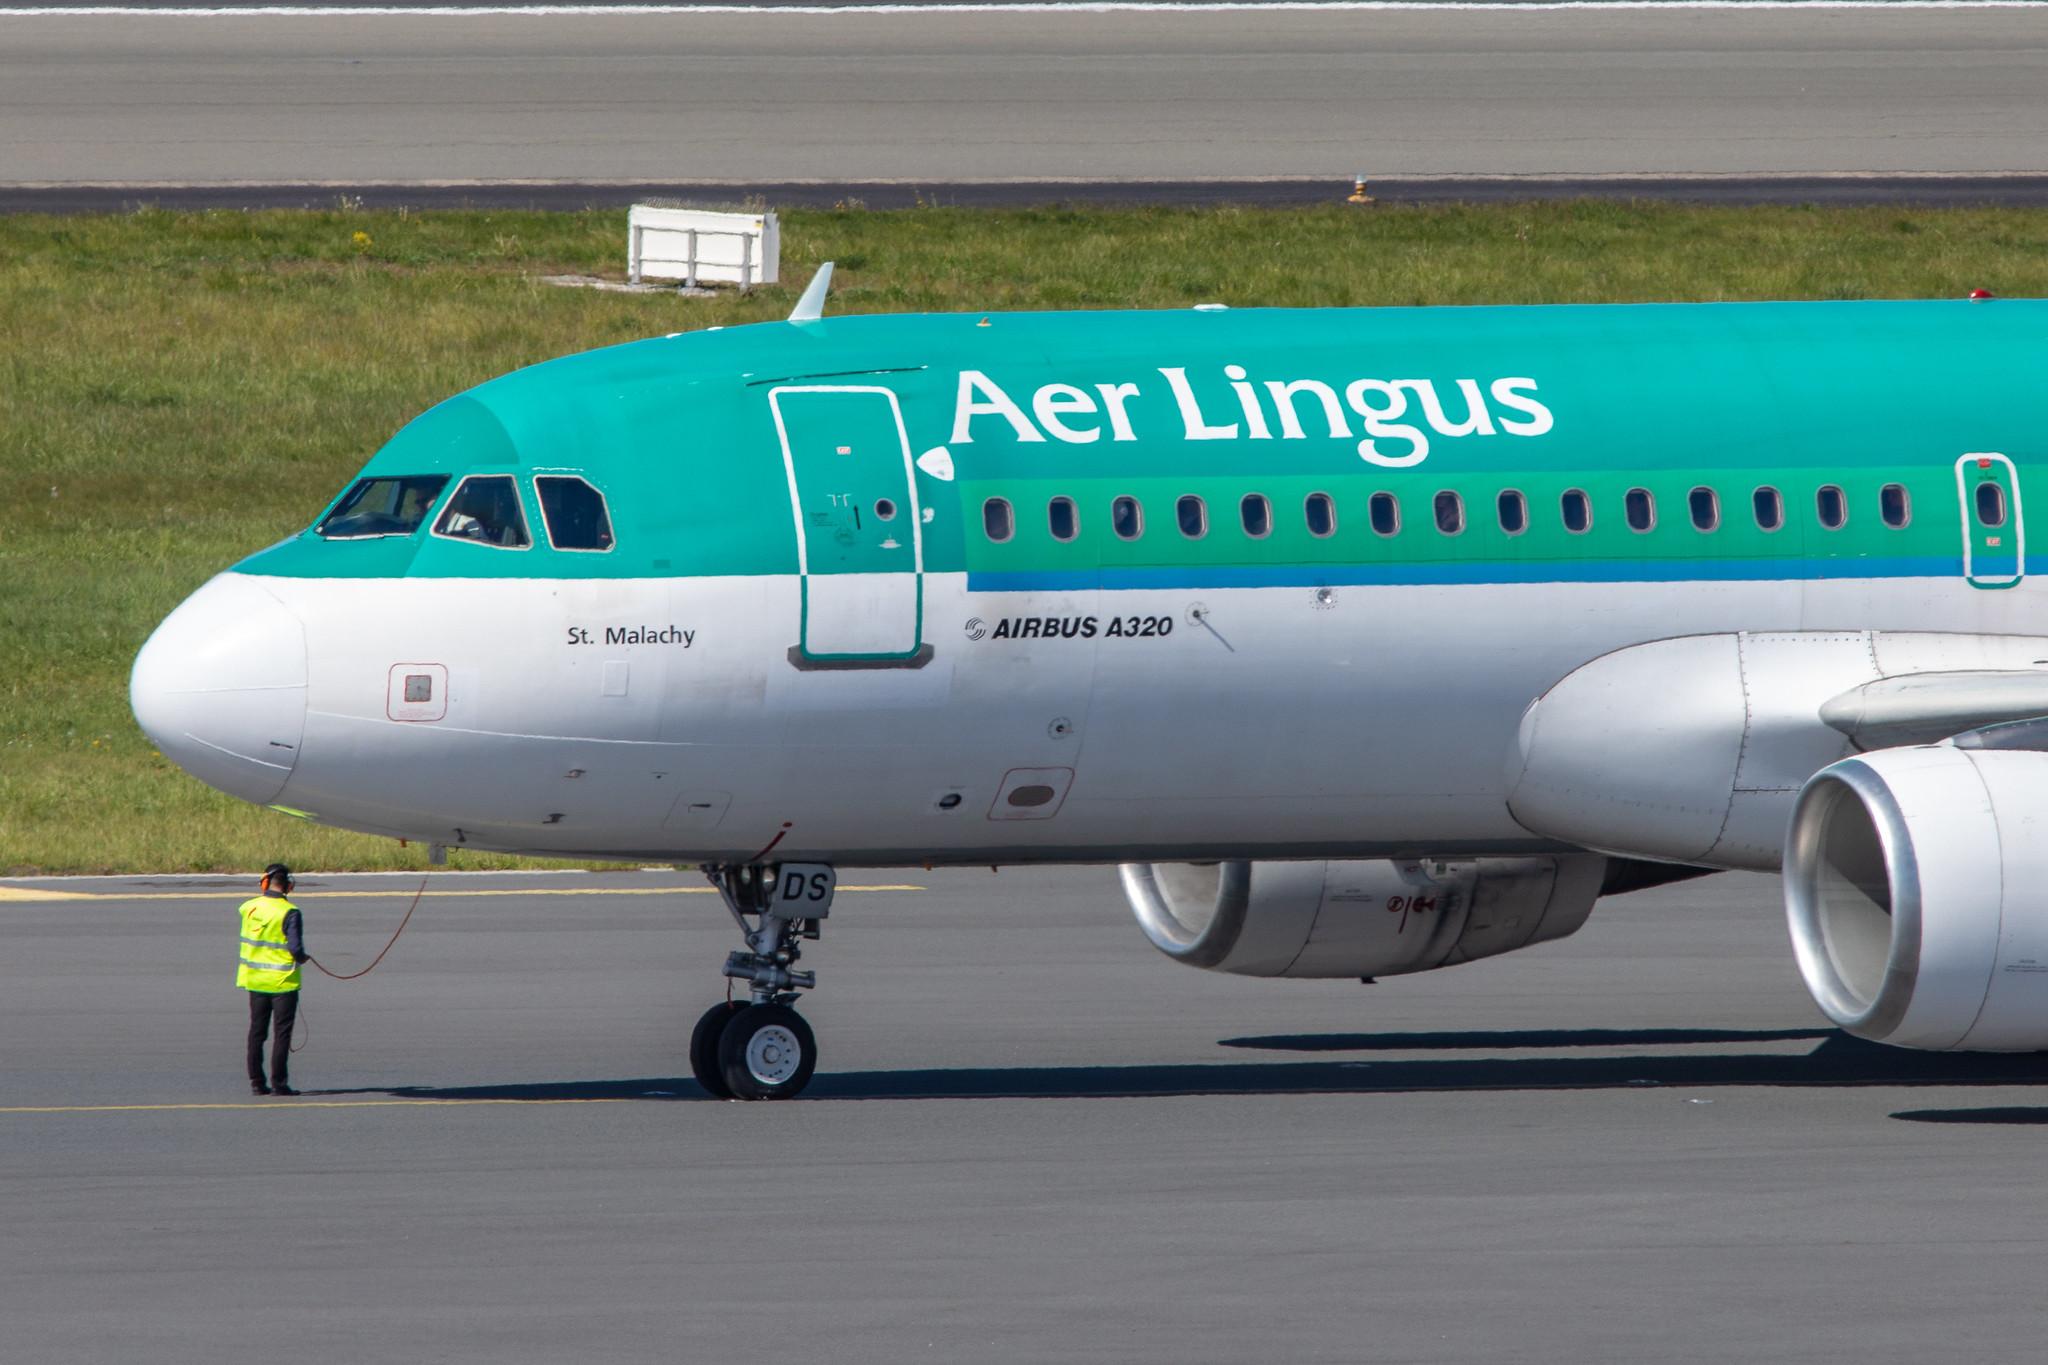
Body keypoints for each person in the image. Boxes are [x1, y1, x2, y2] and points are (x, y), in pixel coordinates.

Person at [238, 863, 308, 1096]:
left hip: (255, 980)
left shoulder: (248, 907)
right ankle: (279, 1083)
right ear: (288, 886)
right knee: (282, 1035)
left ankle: (257, 1083)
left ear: (265, 883)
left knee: (257, 1033)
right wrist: (303, 958)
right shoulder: (290, 912)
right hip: (282, 982)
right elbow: (295, 948)